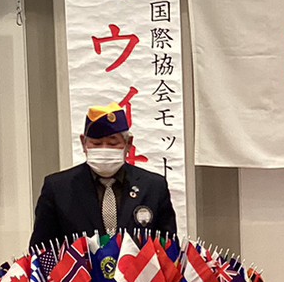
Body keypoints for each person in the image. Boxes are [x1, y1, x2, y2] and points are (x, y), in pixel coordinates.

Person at [29, 104, 177, 248]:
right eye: (96, 144)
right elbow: (41, 250)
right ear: (83, 143)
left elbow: (169, 248)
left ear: (128, 143)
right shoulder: (58, 188)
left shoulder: (153, 187)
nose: (104, 150)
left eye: (112, 144)